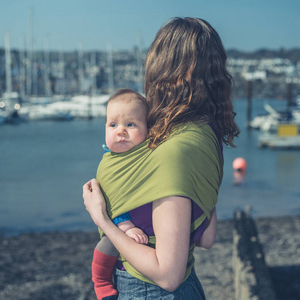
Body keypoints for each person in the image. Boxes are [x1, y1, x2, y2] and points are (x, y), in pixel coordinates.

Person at [83, 17, 240, 299]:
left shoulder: (172, 149)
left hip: (150, 291)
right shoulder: (205, 135)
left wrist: (102, 218)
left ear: (160, 68)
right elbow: (205, 238)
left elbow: (168, 275)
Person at [92, 88, 150, 300]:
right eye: (113, 125)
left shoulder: (146, 156)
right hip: (118, 224)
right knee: (106, 246)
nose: (121, 131)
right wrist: (126, 226)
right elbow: (110, 201)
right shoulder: (110, 163)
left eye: (131, 124)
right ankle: (101, 283)